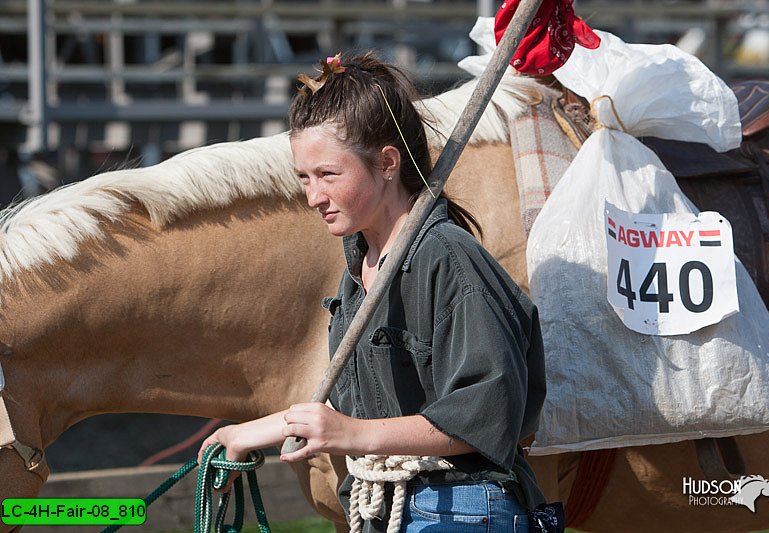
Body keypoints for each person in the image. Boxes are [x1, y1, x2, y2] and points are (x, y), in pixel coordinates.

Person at [199, 52, 561, 533]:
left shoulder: (449, 259)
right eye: (304, 178)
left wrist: (351, 435)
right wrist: (251, 433)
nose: (313, 197)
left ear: (387, 162)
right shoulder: (360, 267)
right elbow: (358, 405)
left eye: (328, 175)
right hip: (390, 506)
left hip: (464, 510)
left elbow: (487, 415)